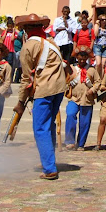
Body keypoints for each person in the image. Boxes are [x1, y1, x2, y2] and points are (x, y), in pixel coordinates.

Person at [14, 13, 68, 180]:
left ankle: (49, 168)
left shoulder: (28, 46)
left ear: (26, 30)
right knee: (48, 126)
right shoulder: (51, 43)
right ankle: (49, 161)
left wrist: (21, 101)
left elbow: (25, 77)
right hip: (59, 88)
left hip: (44, 89)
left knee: (40, 128)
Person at [64, 48, 99, 151]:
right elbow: (65, 79)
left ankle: (81, 143)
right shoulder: (72, 68)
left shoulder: (92, 70)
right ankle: (70, 141)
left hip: (87, 99)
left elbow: (98, 82)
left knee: (85, 122)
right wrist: (69, 84)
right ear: (77, 58)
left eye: (84, 59)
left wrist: (92, 89)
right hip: (74, 98)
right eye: (80, 59)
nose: (82, 61)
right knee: (70, 115)